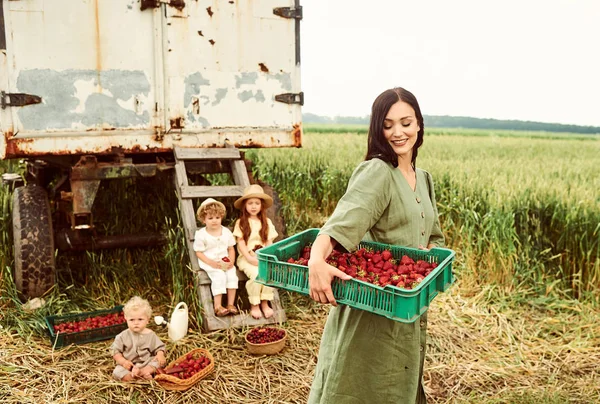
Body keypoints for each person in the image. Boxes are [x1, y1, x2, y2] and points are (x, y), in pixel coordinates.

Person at [307, 87, 445, 404]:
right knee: (359, 385)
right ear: (378, 129)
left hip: (407, 305)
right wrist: (317, 258)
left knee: (397, 383)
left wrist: (428, 260)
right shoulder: (377, 172)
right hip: (371, 307)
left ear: (419, 124)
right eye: (388, 124)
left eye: (406, 122)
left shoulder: (423, 178)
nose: (398, 132)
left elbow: (431, 238)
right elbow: (339, 225)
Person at [233, 184, 279, 319]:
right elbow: (240, 242)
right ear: (245, 206)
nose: (253, 206)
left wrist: (264, 256)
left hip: (263, 256)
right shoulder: (241, 222)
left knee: (269, 273)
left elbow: (269, 242)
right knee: (255, 275)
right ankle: (255, 304)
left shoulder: (266, 222)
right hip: (246, 257)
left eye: (257, 203)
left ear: (261, 206)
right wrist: (248, 257)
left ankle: (265, 302)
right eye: (250, 203)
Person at [193, 198, 238, 317]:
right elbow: (199, 252)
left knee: (232, 276)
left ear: (221, 217)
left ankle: (230, 304)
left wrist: (232, 261)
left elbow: (231, 248)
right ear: (203, 219)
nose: (214, 221)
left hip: (225, 261)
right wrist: (210, 262)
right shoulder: (201, 234)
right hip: (209, 261)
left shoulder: (226, 232)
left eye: (217, 218)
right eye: (210, 218)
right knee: (219, 277)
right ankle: (218, 306)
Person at [110, 296, 167, 381]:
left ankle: (142, 373)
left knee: (158, 362)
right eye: (132, 320)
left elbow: (159, 347)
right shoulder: (122, 336)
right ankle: (133, 376)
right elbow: (115, 351)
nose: (136, 323)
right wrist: (123, 362)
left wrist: (160, 355)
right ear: (126, 319)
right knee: (117, 371)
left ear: (147, 320)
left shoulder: (151, 335)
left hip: (146, 363)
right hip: (130, 365)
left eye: (140, 319)